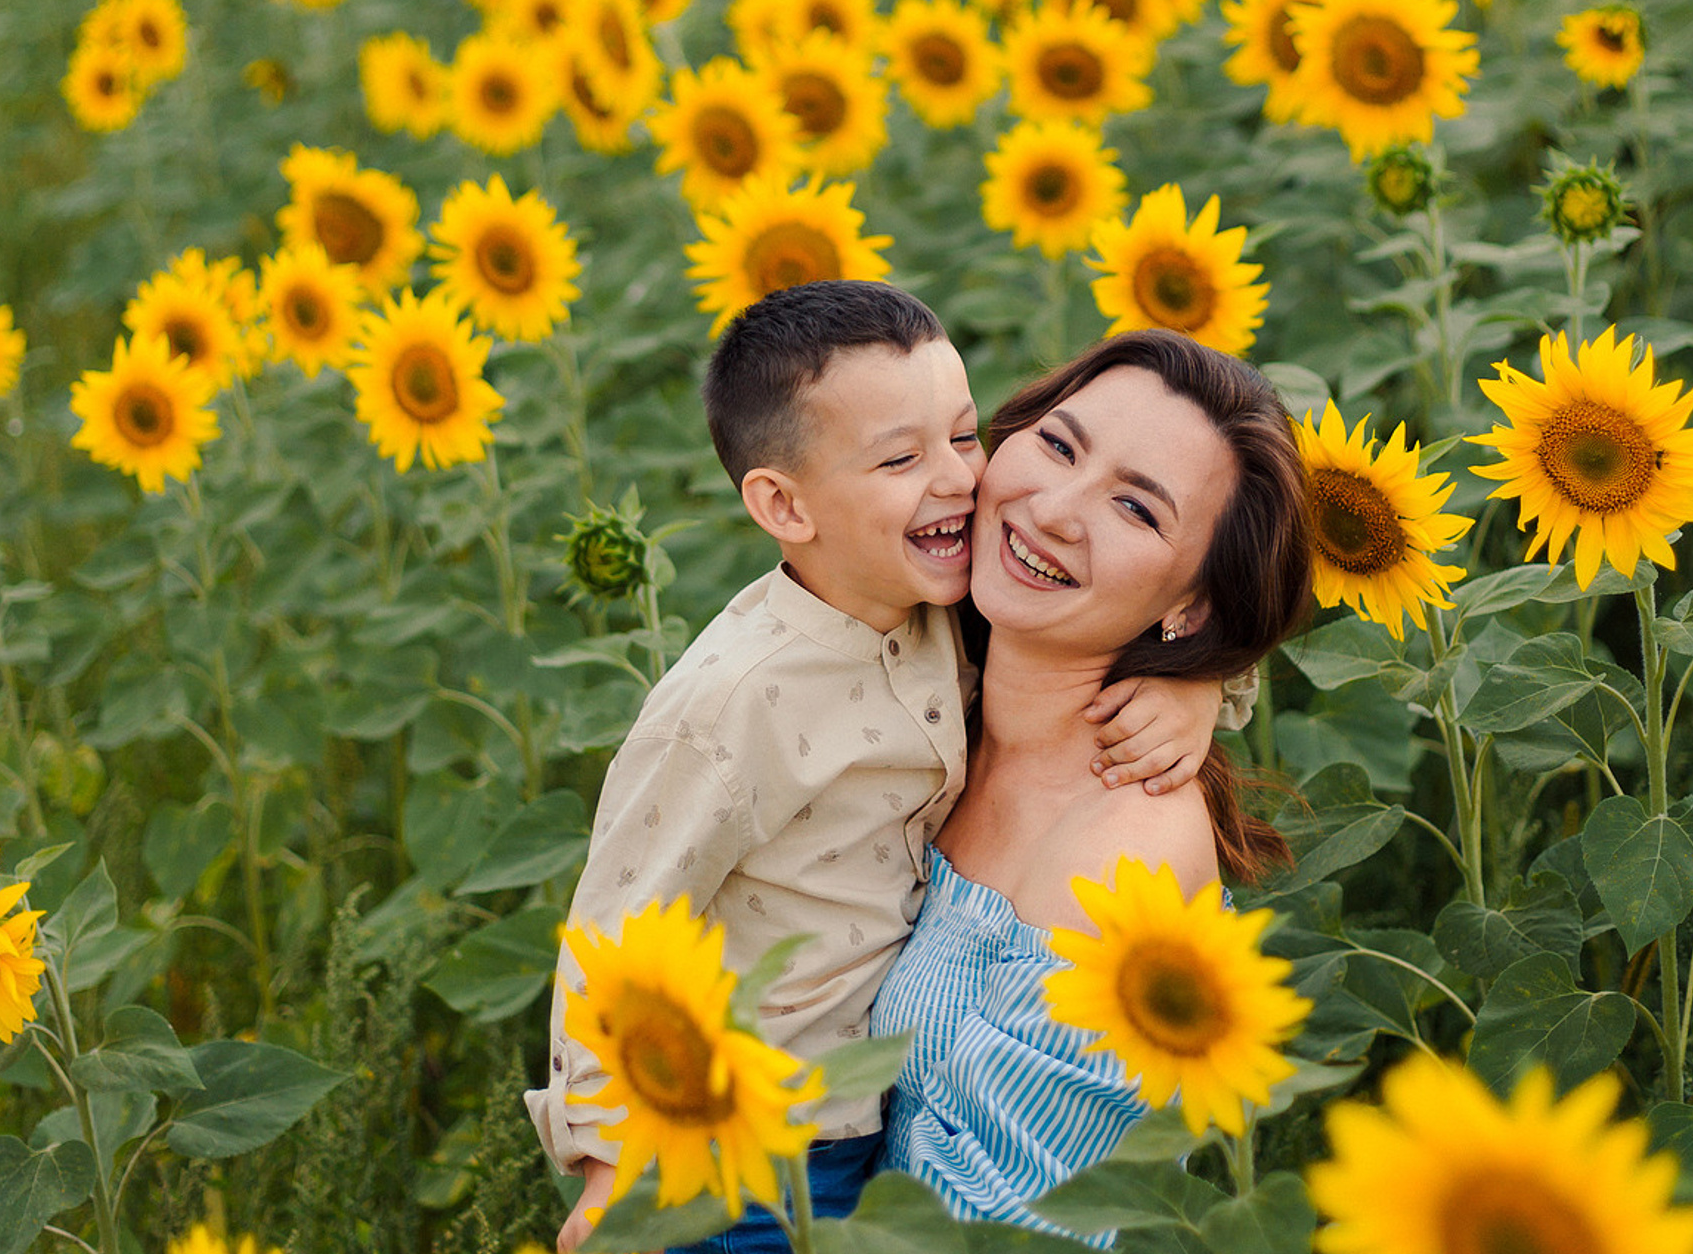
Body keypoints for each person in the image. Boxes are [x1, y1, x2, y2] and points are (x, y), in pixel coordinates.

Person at [527, 285, 1236, 1253]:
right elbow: (615, 926)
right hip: (733, 1149)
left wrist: (1202, 688)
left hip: (852, 1147)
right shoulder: (747, 698)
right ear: (784, 504)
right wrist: (606, 1159)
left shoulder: (944, 617)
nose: (958, 483)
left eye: (960, 438)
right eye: (902, 459)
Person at [872, 331, 1313, 1234]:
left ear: (1191, 605)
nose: (1055, 509)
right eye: (1059, 445)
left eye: (1139, 511)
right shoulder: (928, 675)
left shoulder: (1121, 853)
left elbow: (1008, 1232)